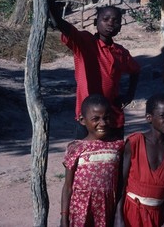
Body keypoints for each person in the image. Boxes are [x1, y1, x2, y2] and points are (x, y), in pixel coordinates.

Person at [49, 3, 140, 139]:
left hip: (112, 117)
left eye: (116, 21)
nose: (110, 23)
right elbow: (61, 24)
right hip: (88, 118)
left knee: (113, 156)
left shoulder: (121, 52)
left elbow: (136, 70)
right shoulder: (85, 43)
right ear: (95, 22)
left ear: (120, 27)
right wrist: (50, 2)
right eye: (105, 19)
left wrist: (130, 94)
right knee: (84, 156)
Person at [114, 94, 164, 227]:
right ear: (149, 118)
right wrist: (118, 216)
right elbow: (121, 184)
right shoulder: (135, 143)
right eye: (163, 116)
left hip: (158, 214)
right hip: (131, 212)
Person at [60, 95, 124, 227]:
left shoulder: (118, 146)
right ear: (82, 120)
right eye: (96, 119)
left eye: (106, 118)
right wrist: (64, 218)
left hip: (106, 209)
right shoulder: (76, 148)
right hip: (80, 210)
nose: (103, 123)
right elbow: (67, 187)